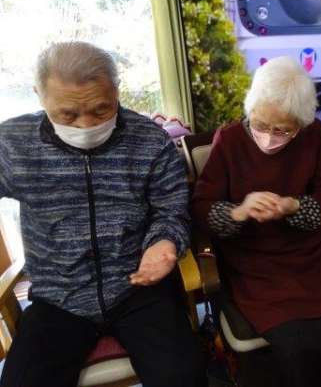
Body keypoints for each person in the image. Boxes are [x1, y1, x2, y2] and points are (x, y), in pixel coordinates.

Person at [0, 42, 206, 387]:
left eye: (101, 109)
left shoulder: (149, 140)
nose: (85, 125)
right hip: (58, 297)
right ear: (40, 96)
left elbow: (171, 209)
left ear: (116, 90)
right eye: (68, 114)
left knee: (184, 375)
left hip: (138, 288)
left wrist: (165, 241)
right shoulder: (12, 144)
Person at [192, 56, 321, 387]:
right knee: (296, 339)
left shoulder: (313, 135)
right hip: (257, 258)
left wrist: (293, 206)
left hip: (316, 251)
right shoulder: (229, 140)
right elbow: (201, 207)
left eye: (283, 130)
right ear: (250, 109)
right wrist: (240, 211)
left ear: (300, 123)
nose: (269, 137)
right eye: (260, 125)